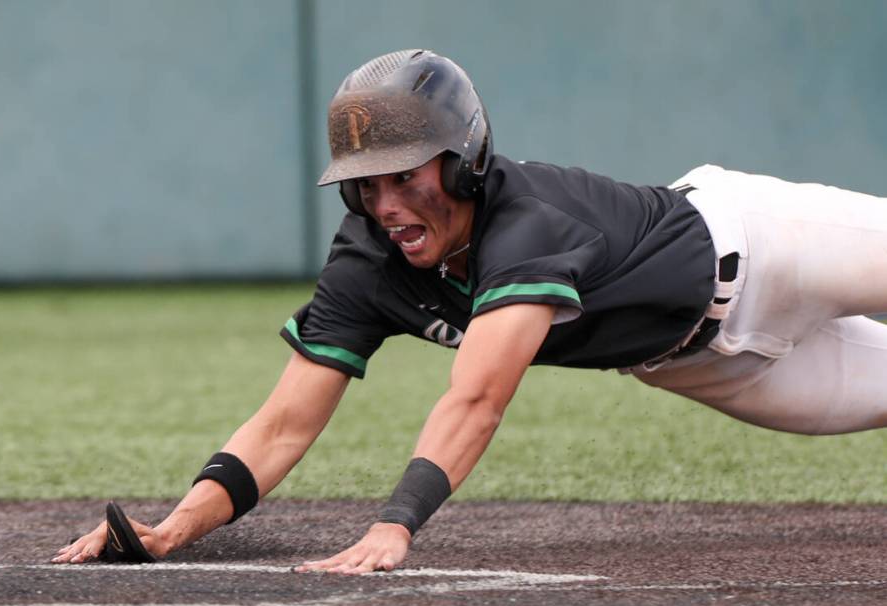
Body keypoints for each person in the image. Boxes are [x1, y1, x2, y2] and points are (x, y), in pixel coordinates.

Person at [52, 49, 887, 573]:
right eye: (365, 182)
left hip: (770, 242)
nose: (385, 202)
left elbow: (478, 396)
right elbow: (280, 425)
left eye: (406, 171)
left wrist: (395, 524)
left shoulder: (526, 225)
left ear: (465, 159)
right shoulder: (367, 260)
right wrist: (170, 529)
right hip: (701, 362)